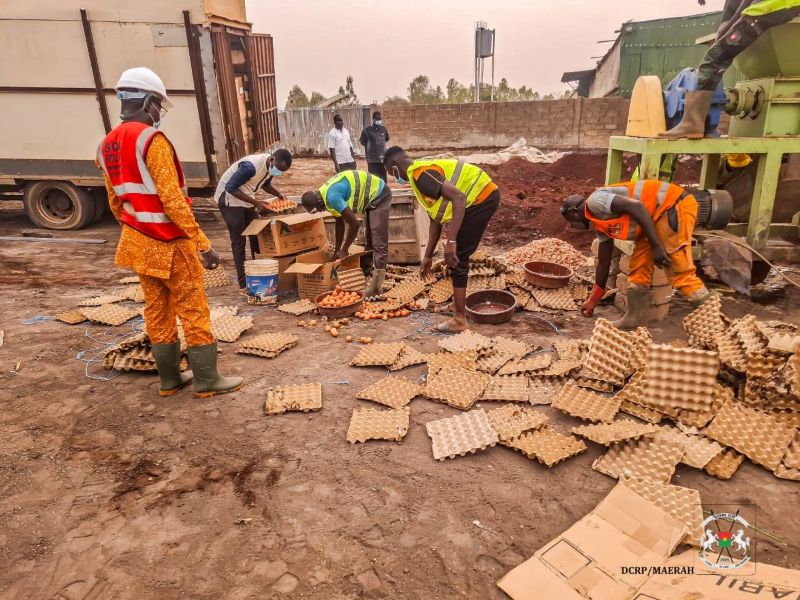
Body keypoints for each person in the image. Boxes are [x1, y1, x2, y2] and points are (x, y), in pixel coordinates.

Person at [96, 67, 243, 398]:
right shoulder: (152, 140)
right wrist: (202, 244)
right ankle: (207, 380)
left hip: (138, 244)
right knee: (192, 308)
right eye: (159, 107)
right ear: (149, 102)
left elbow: (116, 204)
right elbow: (173, 201)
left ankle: (169, 379)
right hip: (170, 243)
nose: (159, 114)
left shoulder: (106, 146)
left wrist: (137, 229)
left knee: (157, 309)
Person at [560, 180, 714, 328]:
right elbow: (603, 262)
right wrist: (593, 299)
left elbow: (637, 207)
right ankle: (634, 319)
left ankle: (713, 322)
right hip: (653, 220)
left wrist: (657, 246)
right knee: (639, 269)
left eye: (571, 221)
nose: (573, 226)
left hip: (672, 205)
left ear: (574, 212)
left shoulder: (595, 201)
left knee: (678, 269)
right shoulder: (600, 224)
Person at [383, 146, 500, 333]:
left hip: (481, 199)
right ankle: (456, 306)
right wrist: (427, 256)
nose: (393, 177)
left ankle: (460, 320)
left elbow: (459, 198)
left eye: (390, 173)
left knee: (457, 258)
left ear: (394, 166)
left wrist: (451, 241)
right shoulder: (419, 178)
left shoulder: (420, 175)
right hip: (476, 200)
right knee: (456, 257)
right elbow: (435, 221)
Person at [662, 0, 800, 139]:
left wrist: (730, 25)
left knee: (715, 58)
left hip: (774, 5)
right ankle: (693, 123)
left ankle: (692, 124)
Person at [301, 170, 392, 296]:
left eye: (319, 210)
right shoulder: (323, 196)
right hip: (369, 200)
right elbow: (339, 223)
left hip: (379, 194)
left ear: (319, 203)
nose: (321, 212)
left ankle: (376, 286)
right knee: (370, 238)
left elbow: (355, 224)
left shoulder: (332, 197)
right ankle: (367, 273)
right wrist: (337, 250)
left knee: (378, 239)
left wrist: (345, 249)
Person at [213, 149, 293, 291]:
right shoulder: (250, 167)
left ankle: (258, 271)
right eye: (278, 170)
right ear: (272, 159)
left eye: (282, 172)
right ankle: (243, 282)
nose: (278, 173)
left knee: (256, 234)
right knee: (239, 240)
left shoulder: (270, 168)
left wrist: (279, 194)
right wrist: (257, 203)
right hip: (229, 200)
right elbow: (230, 187)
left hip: (246, 197)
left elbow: (265, 184)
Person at [359, 111, 390, 181]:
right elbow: (362, 142)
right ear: (373, 119)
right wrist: (371, 147)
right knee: (374, 179)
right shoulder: (366, 130)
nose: (379, 120)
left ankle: (383, 191)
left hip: (382, 159)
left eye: (380, 119)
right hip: (372, 159)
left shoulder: (384, 129)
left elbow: (385, 140)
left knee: (383, 178)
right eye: (377, 119)